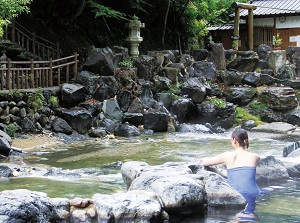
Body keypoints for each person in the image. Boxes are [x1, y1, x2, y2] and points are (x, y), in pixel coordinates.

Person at [202, 128, 260, 220]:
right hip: (253, 193)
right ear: (246, 141)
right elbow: (241, 173)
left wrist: (204, 159)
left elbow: (205, 162)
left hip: (237, 192)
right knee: (246, 217)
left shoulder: (227, 155)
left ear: (234, 140)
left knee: (235, 218)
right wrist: (221, 172)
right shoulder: (256, 157)